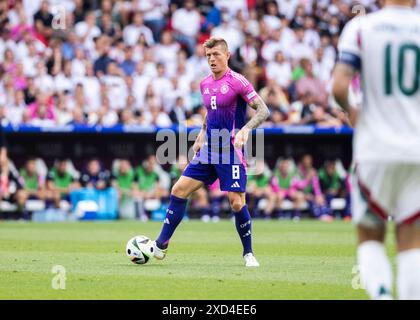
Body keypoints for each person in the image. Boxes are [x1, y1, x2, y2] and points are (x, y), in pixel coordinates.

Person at [152, 37, 270, 267]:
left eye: (216, 54)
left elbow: (263, 110)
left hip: (230, 151)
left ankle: (248, 253)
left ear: (227, 55)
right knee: (179, 189)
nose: (212, 59)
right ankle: (161, 244)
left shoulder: (238, 81)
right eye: (208, 55)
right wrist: (202, 133)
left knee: (236, 202)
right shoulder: (205, 83)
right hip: (208, 150)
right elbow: (211, 111)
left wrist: (246, 129)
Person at [332, 0, 420, 300]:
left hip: (375, 149)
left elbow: (339, 86)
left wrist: (352, 111)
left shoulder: (360, 28)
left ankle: (381, 296)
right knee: (412, 237)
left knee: (370, 234)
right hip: (416, 149)